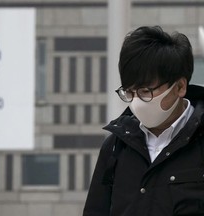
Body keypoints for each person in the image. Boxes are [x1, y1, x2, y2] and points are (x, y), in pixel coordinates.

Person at [83, 25, 204, 216]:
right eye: (129, 92)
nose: (137, 102)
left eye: (146, 92)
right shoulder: (116, 147)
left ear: (180, 86)